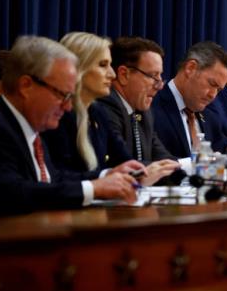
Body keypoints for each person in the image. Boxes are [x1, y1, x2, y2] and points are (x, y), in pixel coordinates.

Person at [0, 36, 140, 216]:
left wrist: (105, 178)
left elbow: (53, 179)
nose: (67, 106)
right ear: (26, 86)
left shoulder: (29, 126)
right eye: (62, 95)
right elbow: (12, 192)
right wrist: (91, 189)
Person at [43, 32, 179, 184]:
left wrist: (141, 173)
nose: (111, 74)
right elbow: (56, 177)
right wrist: (107, 177)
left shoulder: (97, 112)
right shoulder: (59, 115)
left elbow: (127, 164)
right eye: (103, 65)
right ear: (78, 68)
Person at [97, 37, 177, 164]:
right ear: (124, 75)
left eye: (160, 76)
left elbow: (162, 156)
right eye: (152, 76)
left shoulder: (143, 111)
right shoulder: (105, 105)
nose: (160, 86)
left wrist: (185, 173)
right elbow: (122, 165)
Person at [152, 41, 227, 158]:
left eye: (218, 90)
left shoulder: (211, 117)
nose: (213, 95)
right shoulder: (151, 107)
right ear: (191, 68)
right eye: (212, 84)